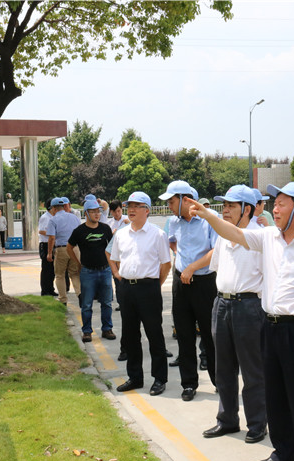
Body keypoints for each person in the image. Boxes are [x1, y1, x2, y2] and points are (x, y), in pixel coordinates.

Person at [189, 182, 294, 461]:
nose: (275, 209)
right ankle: (284, 452)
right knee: (275, 396)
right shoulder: (268, 238)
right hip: (271, 325)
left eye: (282, 204)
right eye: (274, 204)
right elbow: (234, 234)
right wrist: (208, 215)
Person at [196, 186, 268, 445]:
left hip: (249, 306)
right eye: (223, 205)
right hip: (222, 304)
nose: (224, 210)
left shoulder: (261, 237)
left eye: (231, 206)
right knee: (223, 367)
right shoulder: (223, 235)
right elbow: (217, 267)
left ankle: (257, 423)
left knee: (252, 369)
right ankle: (227, 419)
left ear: (247, 209)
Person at [109, 191, 172, 396]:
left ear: (147, 210)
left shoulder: (157, 234)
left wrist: (154, 285)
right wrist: (118, 275)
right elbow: (115, 259)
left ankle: (159, 378)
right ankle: (135, 377)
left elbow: (166, 264)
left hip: (148, 288)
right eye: (130, 206)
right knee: (130, 335)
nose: (132, 210)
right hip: (127, 288)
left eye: (137, 206)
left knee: (154, 334)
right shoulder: (121, 234)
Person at [161, 180, 218, 401]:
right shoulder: (173, 222)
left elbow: (216, 250)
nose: (168, 206)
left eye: (171, 201)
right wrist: (182, 259)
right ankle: (189, 384)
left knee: (210, 336)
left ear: (185, 199)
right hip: (181, 283)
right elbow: (172, 242)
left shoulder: (209, 219)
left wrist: (193, 266)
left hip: (204, 283)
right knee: (184, 335)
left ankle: (219, 381)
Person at [68, 198, 116, 343]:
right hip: (88, 272)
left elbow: (112, 247)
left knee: (106, 302)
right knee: (86, 304)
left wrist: (113, 265)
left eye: (98, 211)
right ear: (86, 213)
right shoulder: (79, 231)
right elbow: (69, 247)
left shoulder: (105, 228)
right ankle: (87, 331)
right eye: (93, 212)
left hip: (105, 270)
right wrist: (78, 263)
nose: (97, 214)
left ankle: (107, 329)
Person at [46, 197, 81, 305]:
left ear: (54, 208)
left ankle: (63, 299)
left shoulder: (53, 220)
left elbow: (51, 238)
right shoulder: (74, 217)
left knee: (60, 275)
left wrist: (49, 253)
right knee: (75, 274)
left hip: (62, 249)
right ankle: (80, 294)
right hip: (75, 248)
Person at [38, 199, 59, 297]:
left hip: (53, 243)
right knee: (46, 269)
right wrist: (53, 233)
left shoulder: (53, 217)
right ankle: (45, 290)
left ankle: (51, 289)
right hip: (46, 244)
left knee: (52, 269)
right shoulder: (45, 217)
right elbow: (41, 231)